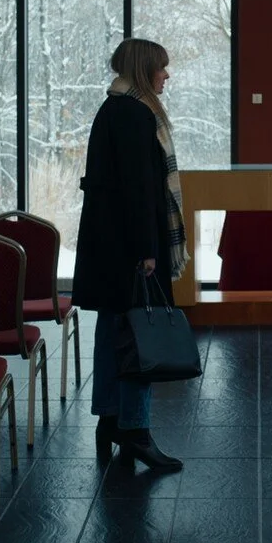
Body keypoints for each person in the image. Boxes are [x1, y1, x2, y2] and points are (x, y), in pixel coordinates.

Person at [71, 38, 185, 471]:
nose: (166, 75)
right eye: (162, 67)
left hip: (108, 245)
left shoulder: (113, 108)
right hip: (130, 247)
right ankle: (136, 431)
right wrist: (147, 251)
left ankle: (110, 422)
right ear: (144, 69)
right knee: (139, 338)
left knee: (112, 335)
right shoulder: (138, 114)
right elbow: (140, 190)